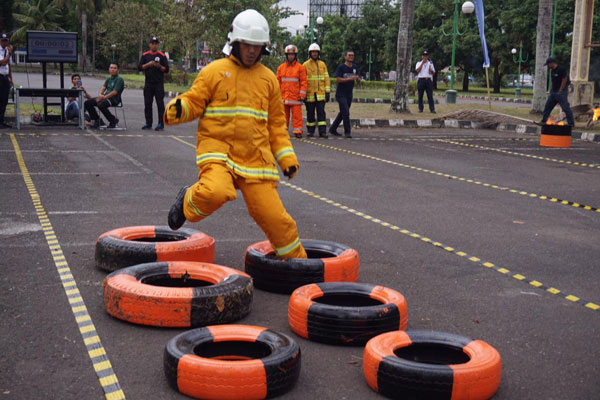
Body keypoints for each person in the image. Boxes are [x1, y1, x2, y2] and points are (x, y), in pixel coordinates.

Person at [163, 9, 307, 259]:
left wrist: (287, 159)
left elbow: (276, 126)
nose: (252, 51)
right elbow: (194, 101)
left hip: (256, 162)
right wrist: (179, 109)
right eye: (247, 45)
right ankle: (187, 201)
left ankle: (298, 265)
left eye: (257, 46)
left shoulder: (268, 80)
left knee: (276, 218)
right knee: (215, 191)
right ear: (236, 43)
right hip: (219, 152)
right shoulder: (214, 71)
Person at [276, 44, 307, 138]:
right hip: (283, 97)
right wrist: (277, 95)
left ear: (295, 55)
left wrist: (302, 94)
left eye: (292, 54)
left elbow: (304, 82)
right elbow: (277, 82)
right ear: (286, 55)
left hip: (296, 97)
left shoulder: (300, 68)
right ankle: (283, 131)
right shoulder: (281, 67)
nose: (291, 56)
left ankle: (298, 132)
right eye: (289, 54)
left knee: (297, 116)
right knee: (283, 117)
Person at [139, 36, 169, 131]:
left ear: (158, 45)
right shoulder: (145, 55)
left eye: (156, 44)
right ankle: (148, 123)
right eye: (153, 43)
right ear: (149, 45)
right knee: (148, 104)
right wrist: (149, 64)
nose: (154, 45)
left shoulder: (162, 56)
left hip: (158, 84)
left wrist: (158, 66)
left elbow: (166, 69)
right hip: (148, 83)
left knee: (160, 104)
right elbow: (140, 67)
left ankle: (161, 123)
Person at [84, 63, 125, 129]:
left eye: (114, 68)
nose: (112, 69)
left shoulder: (119, 79)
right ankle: (97, 120)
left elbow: (115, 92)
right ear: (109, 69)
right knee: (88, 102)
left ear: (118, 70)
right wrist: (100, 95)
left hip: (113, 99)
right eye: (111, 68)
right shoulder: (109, 79)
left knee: (101, 104)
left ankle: (113, 120)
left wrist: (103, 98)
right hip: (104, 98)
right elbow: (103, 88)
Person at [330, 50, 360, 138]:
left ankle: (333, 128)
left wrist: (357, 79)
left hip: (349, 94)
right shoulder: (341, 67)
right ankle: (347, 132)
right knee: (346, 112)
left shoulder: (355, 67)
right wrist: (350, 79)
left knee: (343, 112)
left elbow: (357, 80)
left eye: (352, 55)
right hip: (340, 93)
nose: (351, 57)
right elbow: (338, 79)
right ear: (345, 57)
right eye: (349, 55)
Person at [303, 43, 330, 138]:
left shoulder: (322, 64)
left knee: (321, 114)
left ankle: (322, 132)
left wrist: (327, 92)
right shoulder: (305, 65)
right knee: (310, 113)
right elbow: (303, 80)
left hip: (320, 94)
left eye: (316, 52)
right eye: (313, 52)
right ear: (310, 53)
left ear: (319, 53)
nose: (314, 54)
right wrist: (303, 94)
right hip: (309, 94)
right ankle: (310, 131)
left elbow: (326, 79)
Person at [540, 57, 574, 126]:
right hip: (554, 92)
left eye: (548, 64)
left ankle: (571, 123)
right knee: (548, 107)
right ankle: (544, 121)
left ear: (552, 63)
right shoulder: (552, 71)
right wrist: (550, 91)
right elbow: (553, 82)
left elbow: (564, 80)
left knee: (565, 108)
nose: (548, 66)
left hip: (561, 92)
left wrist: (560, 90)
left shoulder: (561, 69)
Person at [0, 33, 13, 129]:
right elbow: (3, 62)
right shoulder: (4, 52)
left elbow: (9, 65)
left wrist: (11, 78)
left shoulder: (8, 51)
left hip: (5, 78)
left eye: (6, 40)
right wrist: (9, 54)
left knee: (4, 100)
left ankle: (2, 120)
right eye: (3, 40)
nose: (5, 42)